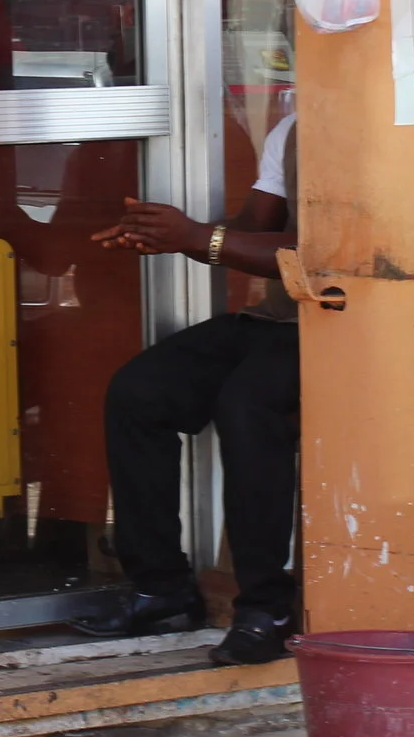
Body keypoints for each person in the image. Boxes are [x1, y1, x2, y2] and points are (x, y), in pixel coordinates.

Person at [77, 112, 300, 665]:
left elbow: (324, 252)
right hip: (274, 322)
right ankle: (161, 588)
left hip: (341, 326)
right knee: (139, 392)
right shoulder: (292, 131)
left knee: (247, 406)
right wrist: (174, 237)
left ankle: (266, 609)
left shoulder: (384, 141)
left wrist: (198, 236)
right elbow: (252, 231)